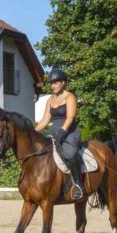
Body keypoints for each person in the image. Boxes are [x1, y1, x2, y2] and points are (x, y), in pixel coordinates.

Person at [35, 68, 83, 199]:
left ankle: (78, 185)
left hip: (69, 131)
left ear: (63, 82)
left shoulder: (70, 97)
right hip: (53, 131)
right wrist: (33, 132)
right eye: (52, 83)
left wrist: (62, 131)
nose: (53, 86)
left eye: (56, 83)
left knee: (69, 153)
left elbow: (70, 117)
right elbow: (45, 120)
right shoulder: (50, 99)